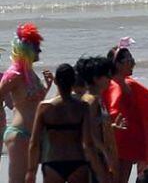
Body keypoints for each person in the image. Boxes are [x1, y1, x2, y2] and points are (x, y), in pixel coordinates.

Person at [103, 39, 148, 183]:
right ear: (117, 64)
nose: (133, 63)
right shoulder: (109, 85)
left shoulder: (129, 83)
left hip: (131, 139)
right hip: (116, 139)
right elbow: (111, 111)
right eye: (129, 60)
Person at [0, 24, 52, 183]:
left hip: (34, 134)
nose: (40, 51)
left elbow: (37, 102)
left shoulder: (31, 73)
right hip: (19, 134)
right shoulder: (14, 74)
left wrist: (47, 86)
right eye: (36, 47)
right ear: (26, 49)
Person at [25, 64, 94, 183]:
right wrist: (97, 167)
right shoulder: (82, 107)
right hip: (77, 161)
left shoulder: (44, 107)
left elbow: (34, 142)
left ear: (56, 81)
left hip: (53, 162)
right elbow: (87, 142)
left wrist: (31, 171)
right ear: (73, 83)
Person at [76, 56, 119, 183]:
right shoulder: (91, 100)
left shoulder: (98, 99)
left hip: (101, 155)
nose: (110, 79)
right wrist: (105, 154)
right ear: (96, 78)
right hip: (94, 158)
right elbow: (88, 133)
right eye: (107, 76)